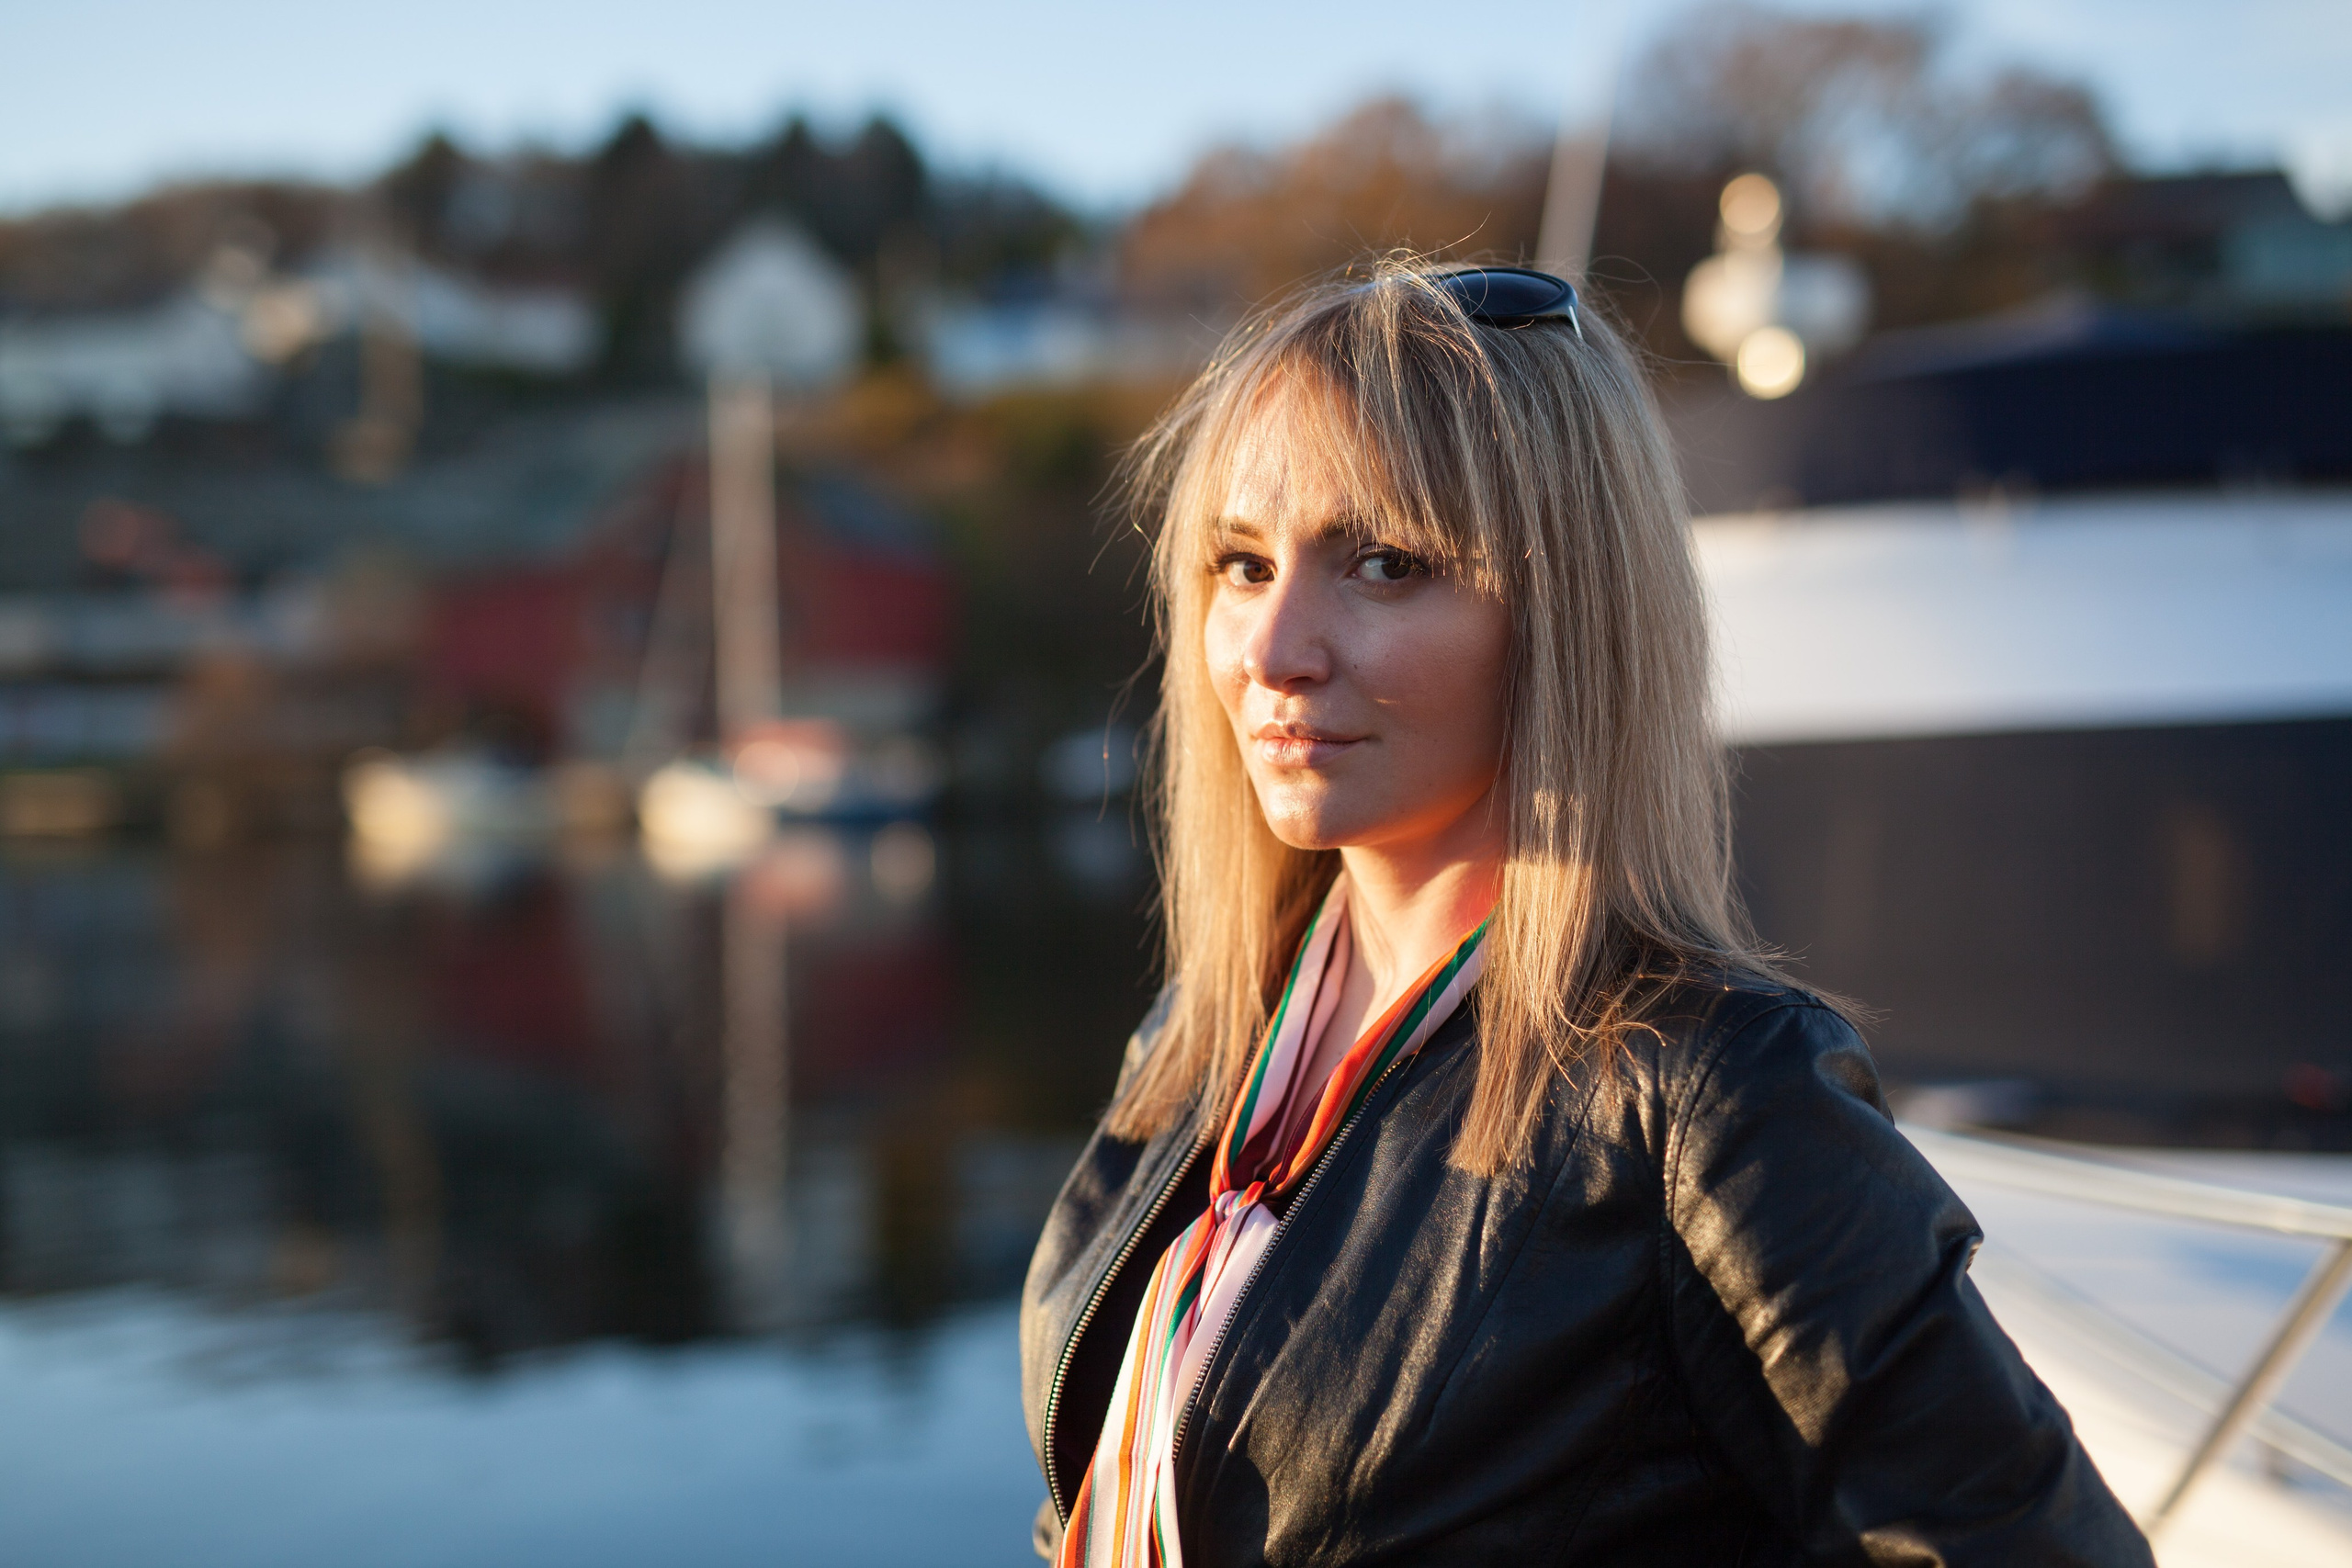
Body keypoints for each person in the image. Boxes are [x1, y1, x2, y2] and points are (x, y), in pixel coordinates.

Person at [1020, 262, 2152, 1567]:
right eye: (1241, 563)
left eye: (1384, 564)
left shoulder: (1709, 1094)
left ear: (1565, 613)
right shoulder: (1206, 1033)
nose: (1273, 650)